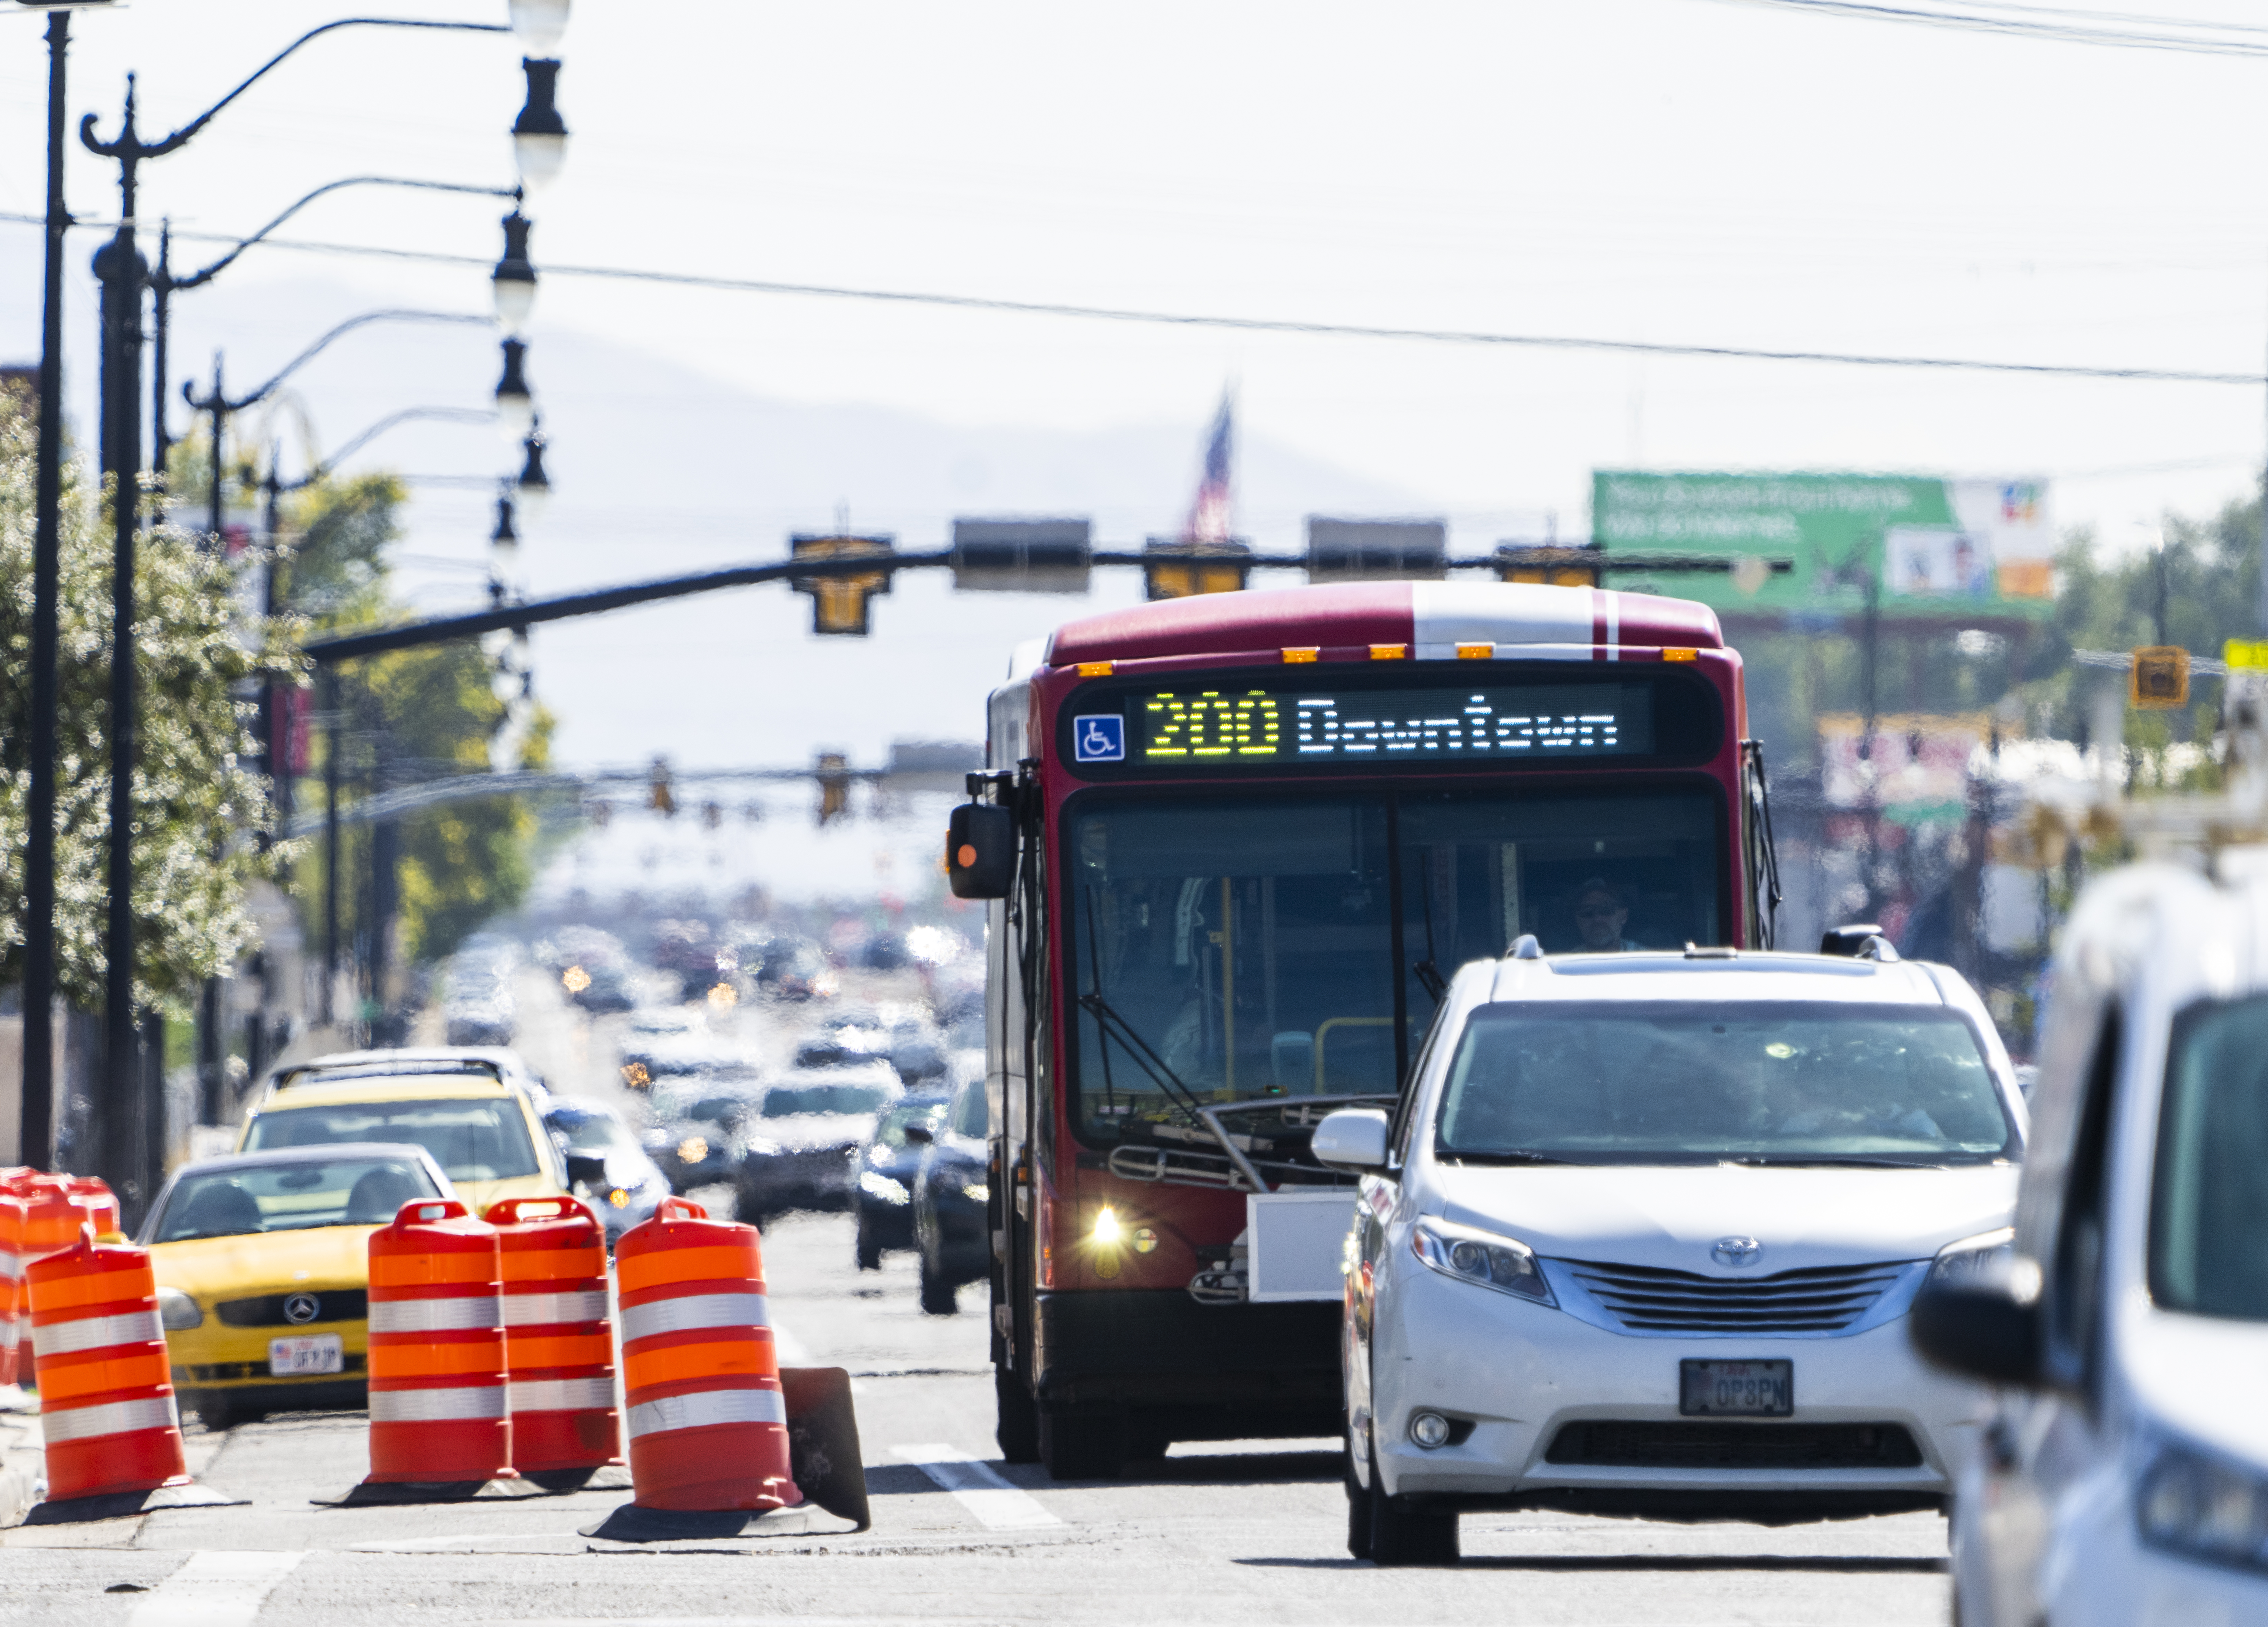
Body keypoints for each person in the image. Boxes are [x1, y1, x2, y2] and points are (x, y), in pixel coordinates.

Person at [1571, 877, 1641, 953]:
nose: (1597, 919)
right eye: (1587, 912)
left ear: (1624, 916)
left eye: (1607, 910)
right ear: (1578, 920)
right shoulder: (1566, 963)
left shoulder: (1646, 961)